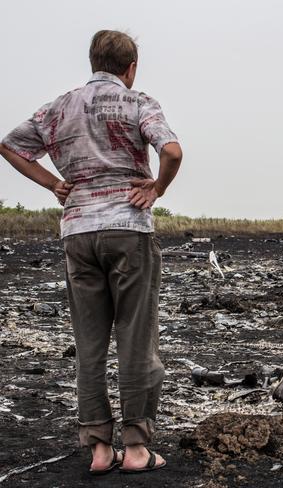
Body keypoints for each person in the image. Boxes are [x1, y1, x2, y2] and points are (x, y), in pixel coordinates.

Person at [0, 30, 182, 475]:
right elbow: (172, 151)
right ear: (131, 68)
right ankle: (137, 447)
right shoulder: (139, 103)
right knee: (136, 340)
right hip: (127, 228)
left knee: (90, 344)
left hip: (78, 231)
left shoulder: (59, 107)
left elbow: (9, 145)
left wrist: (54, 184)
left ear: (93, 62)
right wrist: (156, 187)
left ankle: (100, 447)